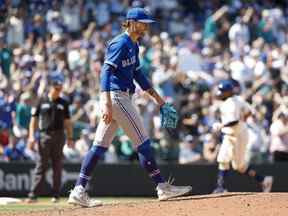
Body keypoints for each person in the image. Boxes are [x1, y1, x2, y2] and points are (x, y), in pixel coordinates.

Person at [68, 7, 192, 207]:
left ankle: (79, 190)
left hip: (120, 97)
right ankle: (161, 187)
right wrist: (106, 102)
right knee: (142, 142)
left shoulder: (134, 45)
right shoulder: (120, 43)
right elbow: (105, 73)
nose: (145, 27)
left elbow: (139, 76)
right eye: (143, 23)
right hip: (116, 98)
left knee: (99, 146)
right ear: (132, 22)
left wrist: (159, 100)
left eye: (147, 24)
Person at [212, 80, 273, 193]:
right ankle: (221, 187)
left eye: (223, 91)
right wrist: (243, 118)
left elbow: (234, 121)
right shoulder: (238, 99)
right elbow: (250, 111)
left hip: (238, 135)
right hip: (230, 134)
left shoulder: (232, 103)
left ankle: (263, 180)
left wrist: (221, 125)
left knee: (239, 166)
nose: (220, 93)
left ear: (229, 92)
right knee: (223, 159)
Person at [26, 75, 74, 203]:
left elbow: (68, 122)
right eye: (56, 89)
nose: (58, 91)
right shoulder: (41, 101)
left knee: (57, 165)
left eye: (60, 89)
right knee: (41, 164)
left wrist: (70, 137)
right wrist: (31, 136)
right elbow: (33, 120)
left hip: (59, 136)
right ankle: (33, 194)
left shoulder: (63, 103)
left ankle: (56, 194)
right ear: (51, 88)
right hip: (44, 136)